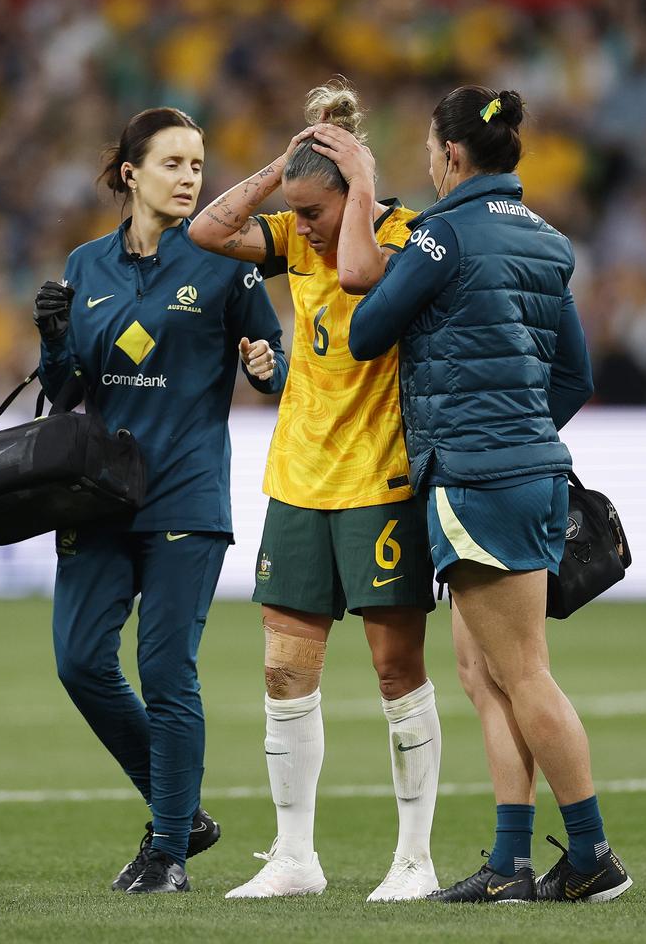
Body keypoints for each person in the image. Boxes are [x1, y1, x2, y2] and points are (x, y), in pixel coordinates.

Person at [346, 86, 633, 903]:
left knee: (523, 674)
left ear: (450, 157)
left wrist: (492, 441)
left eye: (433, 151)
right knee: (484, 674)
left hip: (476, 479)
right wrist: (521, 433)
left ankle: (592, 855)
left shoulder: (443, 234)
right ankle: (510, 863)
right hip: (532, 471)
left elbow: (369, 333)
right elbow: (573, 373)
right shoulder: (547, 240)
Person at [189, 80, 441, 902]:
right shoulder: (296, 241)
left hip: (379, 479)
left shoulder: (406, 239)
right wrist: (278, 172)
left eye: (313, 212)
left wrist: (361, 184)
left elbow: (362, 268)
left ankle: (414, 860)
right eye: (295, 214)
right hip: (298, 478)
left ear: (356, 195)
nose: (301, 229)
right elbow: (206, 229)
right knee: (283, 674)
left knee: (396, 672)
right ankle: (294, 857)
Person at [33, 106, 287, 895]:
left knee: (166, 670)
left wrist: (262, 362)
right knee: (79, 662)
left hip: (185, 492)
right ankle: (184, 811)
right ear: (130, 173)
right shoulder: (85, 264)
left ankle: (168, 849)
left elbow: (272, 367)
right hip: (99, 496)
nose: (189, 179)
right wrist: (50, 338)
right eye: (173, 164)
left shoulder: (225, 261)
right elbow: (67, 390)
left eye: (197, 167)